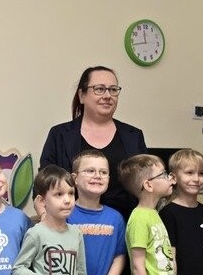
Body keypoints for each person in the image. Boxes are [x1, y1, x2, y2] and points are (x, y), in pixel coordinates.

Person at [40, 65, 148, 222]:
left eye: (113, 90)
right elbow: (45, 182)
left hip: (125, 226)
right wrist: (47, 220)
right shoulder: (60, 135)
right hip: (69, 224)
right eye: (99, 89)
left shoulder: (134, 136)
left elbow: (146, 185)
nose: (107, 95)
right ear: (82, 95)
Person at [120, 154, 178, 275]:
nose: (170, 179)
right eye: (164, 174)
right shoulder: (139, 218)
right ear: (148, 185)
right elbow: (138, 265)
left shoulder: (154, 214)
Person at [68, 149, 126, 275]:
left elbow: (119, 256)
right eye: (90, 171)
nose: (98, 176)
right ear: (74, 178)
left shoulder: (115, 218)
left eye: (103, 172)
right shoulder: (64, 214)